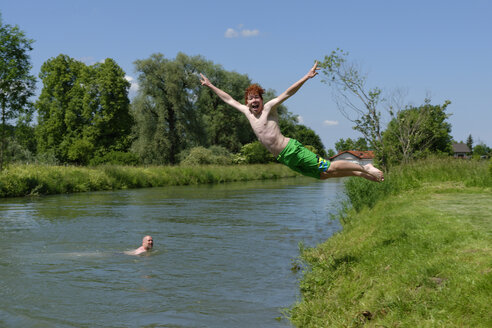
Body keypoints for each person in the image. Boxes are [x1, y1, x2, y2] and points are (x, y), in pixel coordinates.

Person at [199, 62, 384, 182]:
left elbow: (288, 92)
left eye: (256, 97)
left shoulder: (269, 107)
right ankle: (360, 173)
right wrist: (210, 85)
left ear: (262, 100)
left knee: (329, 166)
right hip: (284, 158)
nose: (253, 101)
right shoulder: (247, 112)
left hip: (292, 150)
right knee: (322, 175)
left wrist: (307, 76)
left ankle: (365, 166)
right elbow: (229, 99)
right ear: (246, 101)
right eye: (250, 98)